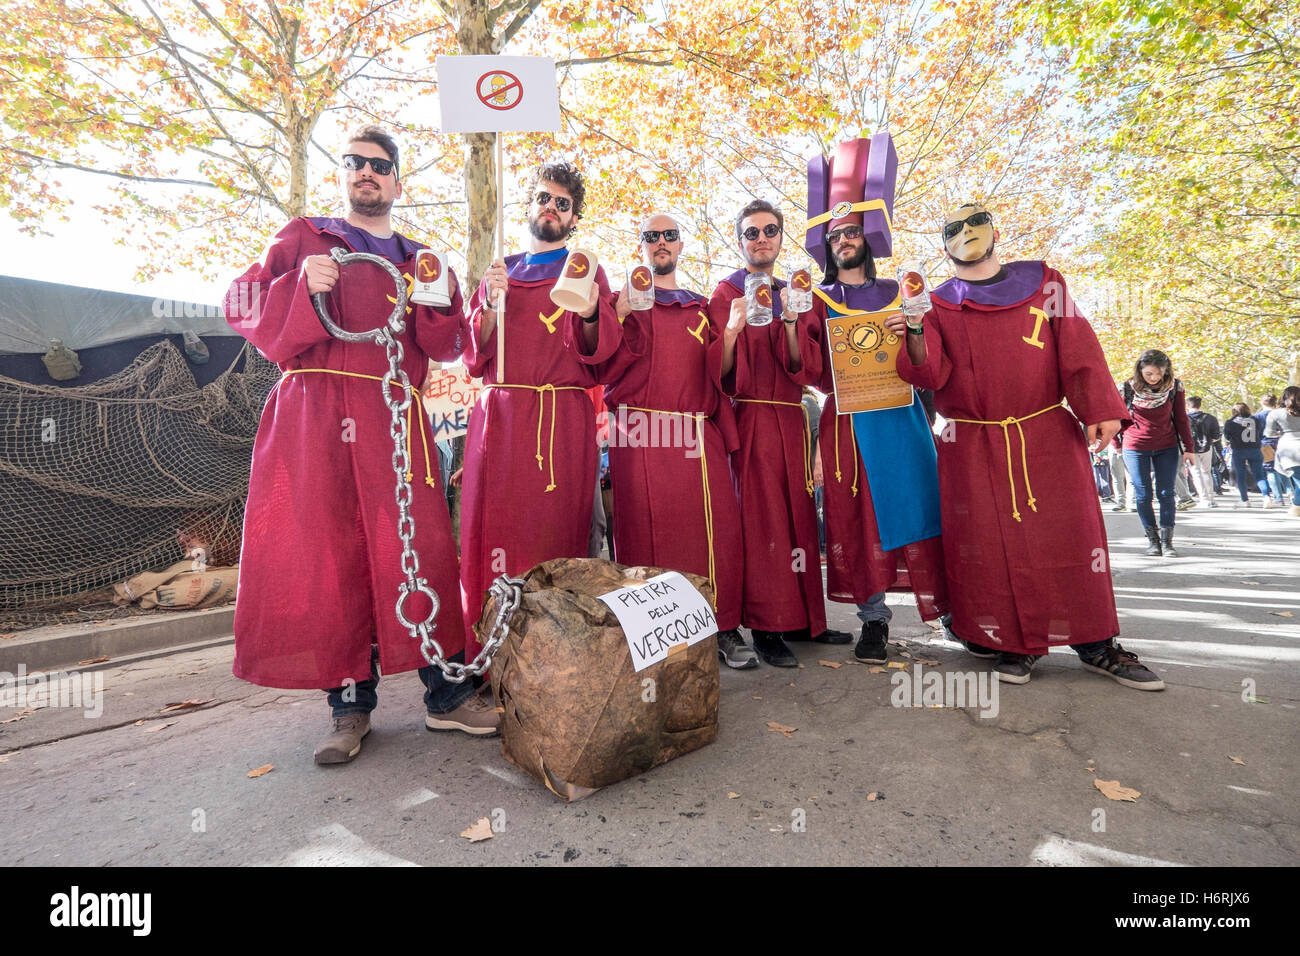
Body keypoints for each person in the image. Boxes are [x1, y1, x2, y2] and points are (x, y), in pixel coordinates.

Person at [225, 125, 494, 766]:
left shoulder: (420, 257)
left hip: (395, 413)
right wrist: (298, 286)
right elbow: (238, 301)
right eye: (356, 164)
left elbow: (447, 346)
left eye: (380, 166)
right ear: (344, 174)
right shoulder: (303, 238)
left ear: (397, 182)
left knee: (422, 546)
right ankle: (349, 709)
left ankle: (447, 697)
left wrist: (442, 299)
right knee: (331, 553)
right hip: (315, 413)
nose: (367, 173)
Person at [887, 202, 1164, 690]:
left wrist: (1099, 409)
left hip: (1045, 433)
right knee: (993, 547)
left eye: (977, 222)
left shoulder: (1045, 283)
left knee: (1072, 539)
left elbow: (1078, 346)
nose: (968, 232)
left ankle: (1097, 643)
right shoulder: (934, 303)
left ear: (994, 231)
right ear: (943, 242)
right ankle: (1015, 643)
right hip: (972, 441)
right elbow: (930, 374)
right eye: (955, 227)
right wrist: (911, 330)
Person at [460, 162, 618, 658]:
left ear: (574, 219)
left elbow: (601, 351)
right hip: (503, 417)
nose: (551, 207)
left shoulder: (585, 270)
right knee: (496, 535)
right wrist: (487, 304)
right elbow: (472, 353)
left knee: (559, 537)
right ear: (528, 206)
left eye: (563, 203)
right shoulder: (500, 272)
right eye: (543, 198)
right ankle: (493, 654)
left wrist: (591, 311)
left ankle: (558, 657)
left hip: (561, 422)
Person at [801, 136, 949, 664]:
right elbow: (811, 371)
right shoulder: (816, 300)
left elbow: (928, 365)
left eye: (852, 231)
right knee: (855, 516)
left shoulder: (903, 291)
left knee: (918, 505)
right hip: (847, 420)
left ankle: (948, 609)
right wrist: (798, 322)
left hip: (901, 418)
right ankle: (874, 621)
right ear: (826, 245)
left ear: (868, 237)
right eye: (835, 233)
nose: (844, 239)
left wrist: (912, 326)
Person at [597, 214, 747, 663]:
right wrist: (618, 310)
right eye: (651, 236)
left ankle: (721, 628)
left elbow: (722, 376)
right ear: (641, 246)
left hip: (696, 432)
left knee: (714, 530)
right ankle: (652, 638)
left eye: (669, 236)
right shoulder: (619, 301)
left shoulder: (703, 308)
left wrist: (734, 334)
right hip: (637, 431)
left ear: (681, 246)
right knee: (642, 535)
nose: (661, 242)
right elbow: (597, 362)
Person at [708, 199, 833, 668]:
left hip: (793, 417)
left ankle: (801, 618)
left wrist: (789, 321)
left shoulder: (797, 293)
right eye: (751, 232)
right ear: (739, 241)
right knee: (763, 524)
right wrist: (732, 333)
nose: (761, 239)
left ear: (782, 237)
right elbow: (720, 376)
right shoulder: (725, 294)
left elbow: (806, 369)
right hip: (753, 418)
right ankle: (765, 623)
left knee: (799, 518)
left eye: (770, 230)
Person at [1115, 350, 1195, 557]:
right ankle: (1153, 540)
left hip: (1167, 446)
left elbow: (1181, 418)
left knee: (1167, 493)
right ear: (1140, 370)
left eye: (1159, 373)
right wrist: (1116, 444)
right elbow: (1115, 417)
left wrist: (1189, 448)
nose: (1154, 378)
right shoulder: (1126, 388)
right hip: (1135, 446)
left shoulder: (1175, 387)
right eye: (1149, 373)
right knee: (1143, 494)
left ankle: (1168, 542)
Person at [1264, 386, 1300, 517]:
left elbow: (1269, 433)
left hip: (1289, 449)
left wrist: (1280, 432)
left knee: (1298, 479)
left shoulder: (1276, 413)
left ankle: (1296, 506)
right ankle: (1296, 506)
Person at [1225, 402, 1268, 507]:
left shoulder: (1230, 422)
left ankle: (1245, 500)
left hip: (1239, 450)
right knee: (1259, 475)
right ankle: (1266, 497)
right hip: (1255, 449)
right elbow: (1261, 433)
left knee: (1240, 475)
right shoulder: (1255, 420)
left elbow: (1227, 437)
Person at [1256, 394, 1292, 509]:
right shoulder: (1282, 413)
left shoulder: (1257, 417)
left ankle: (1278, 498)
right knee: (1284, 469)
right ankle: (1291, 493)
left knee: (1270, 470)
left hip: (1266, 444)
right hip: (1283, 442)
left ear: (1262, 403)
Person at [1187, 395, 1222, 508]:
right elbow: (1216, 435)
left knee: (1196, 473)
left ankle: (1203, 498)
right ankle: (1211, 498)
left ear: (1188, 406)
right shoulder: (1210, 418)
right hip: (1207, 448)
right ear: (1200, 405)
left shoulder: (1185, 418)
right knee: (1206, 472)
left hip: (1190, 449)